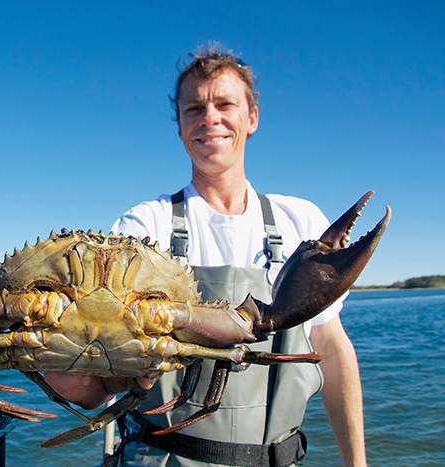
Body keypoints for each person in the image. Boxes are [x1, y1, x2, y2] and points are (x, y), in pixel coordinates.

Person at [44, 46, 367, 467]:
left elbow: (331, 346)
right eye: (194, 108)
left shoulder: (300, 221)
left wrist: (356, 462)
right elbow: (109, 378)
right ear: (179, 126)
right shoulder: (144, 228)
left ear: (252, 117)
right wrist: (74, 383)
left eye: (224, 104)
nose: (209, 118)